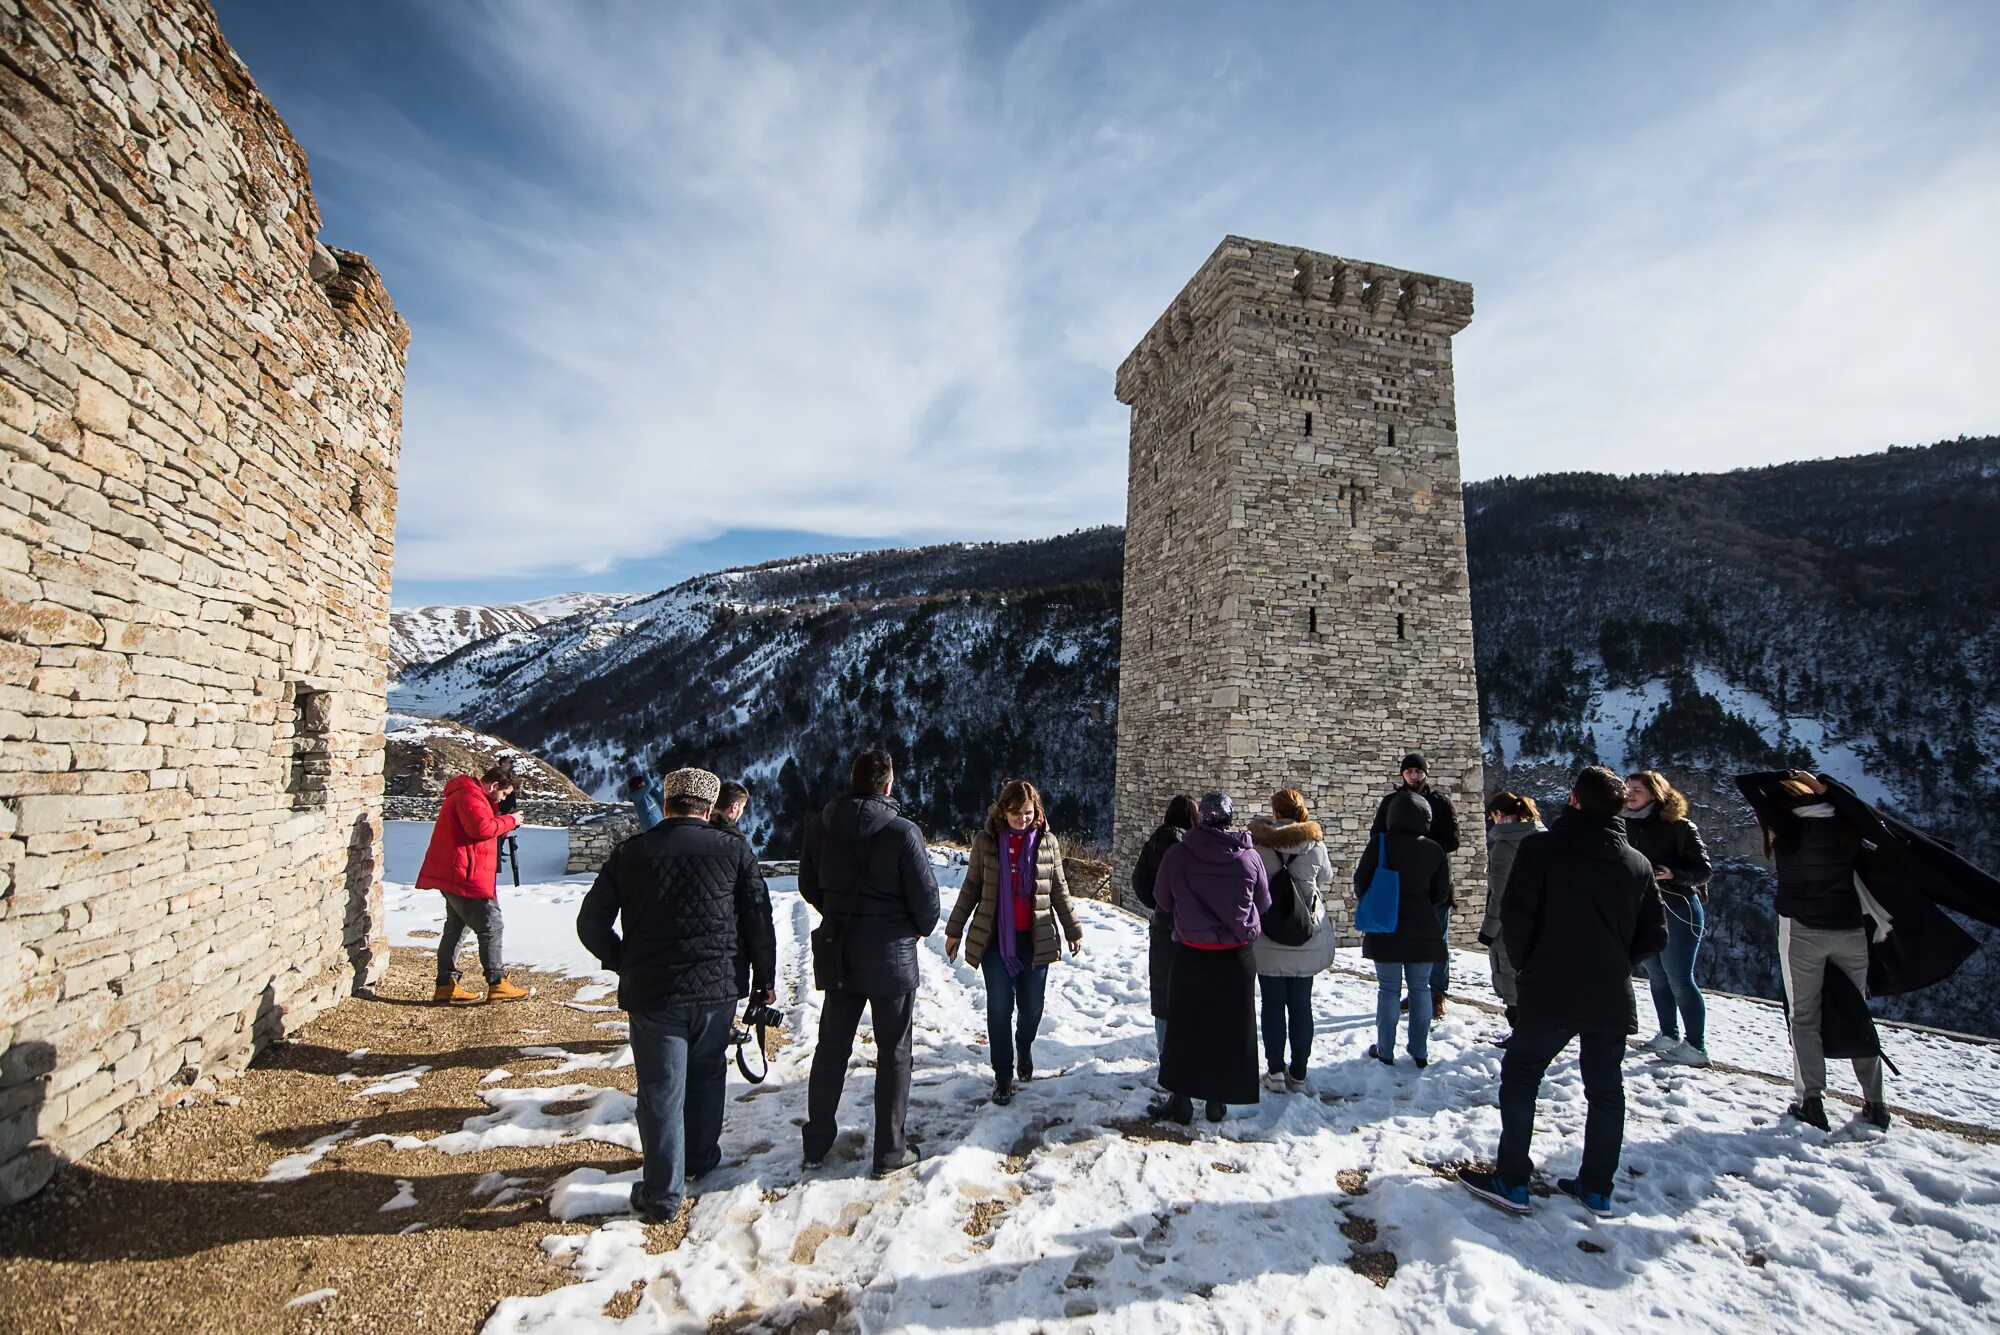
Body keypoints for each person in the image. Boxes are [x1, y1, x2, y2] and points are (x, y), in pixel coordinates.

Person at [1460, 766, 1667, 1218]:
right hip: (1609, 991)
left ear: (1573, 801)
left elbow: (1517, 919)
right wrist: (1618, 963)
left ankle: (1512, 1179)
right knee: (1606, 1090)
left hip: (1549, 985)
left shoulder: (1541, 850)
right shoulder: (1636, 864)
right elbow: (1656, 935)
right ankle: (1596, 1188)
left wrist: (1529, 964)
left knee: (1521, 1077)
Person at [577, 768, 777, 1225]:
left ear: (666, 805)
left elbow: (590, 924)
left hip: (654, 992)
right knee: (707, 1075)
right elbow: (758, 922)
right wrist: (763, 979)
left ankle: (663, 1194)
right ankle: (701, 1158)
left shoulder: (632, 853)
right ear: (709, 809)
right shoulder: (734, 851)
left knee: (661, 1090)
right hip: (718, 986)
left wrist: (623, 961)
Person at [799, 748, 940, 1177]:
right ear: (888, 785)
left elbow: (808, 885)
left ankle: (817, 1142)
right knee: (894, 1053)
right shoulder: (902, 833)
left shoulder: (822, 827)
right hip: (891, 957)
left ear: (853, 779)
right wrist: (903, 927)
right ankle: (889, 1152)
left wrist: (838, 912)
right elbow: (929, 907)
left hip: (839, 950)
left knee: (831, 1050)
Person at [1736, 769, 1889, 1131]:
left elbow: (1745, 782)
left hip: (1802, 928)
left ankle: (1812, 1100)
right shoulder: (1847, 825)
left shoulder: (1787, 825)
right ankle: (1876, 1103)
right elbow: (1860, 808)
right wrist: (1823, 785)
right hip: (1850, 929)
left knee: (1804, 1017)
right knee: (1856, 1012)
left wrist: (1786, 774)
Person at [944, 780, 1084, 1105]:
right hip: (996, 940)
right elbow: (971, 888)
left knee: (1032, 1008)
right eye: (1015, 812)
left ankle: (1024, 1044)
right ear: (1002, 811)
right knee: (999, 1007)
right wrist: (955, 930)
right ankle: (1003, 1076)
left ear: (1036, 813)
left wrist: (1072, 929)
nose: (1022, 818)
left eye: (1027, 812)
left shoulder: (1048, 843)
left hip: (1037, 939)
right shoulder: (987, 843)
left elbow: (1059, 890)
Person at [1148, 790, 1270, 1126]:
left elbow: (1162, 900)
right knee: (1229, 1028)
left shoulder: (1178, 854)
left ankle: (1181, 1101)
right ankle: (1217, 1101)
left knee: (1185, 1027)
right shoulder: (1249, 858)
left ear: (1201, 817)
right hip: (1236, 957)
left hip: (1191, 953)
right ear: (1230, 818)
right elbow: (1263, 902)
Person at [1353, 792, 1451, 1067]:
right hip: (1423, 927)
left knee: (1388, 990)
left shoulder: (1380, 843)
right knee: (1421, 989)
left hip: (1387, 925)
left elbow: (1361, 882)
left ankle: (1385, 1050)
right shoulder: (1435, 849)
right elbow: (1442, 893)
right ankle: (1419, 1051)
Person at [418, 766, 530, 1004]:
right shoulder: (470, 796)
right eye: (503, 794)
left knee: (457, 927)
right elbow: (481, 828)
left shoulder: (467, 794)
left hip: (457, 870)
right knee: (491, 925)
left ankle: (446, 984)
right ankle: (497, 982)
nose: (503, 799)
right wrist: (510, 821)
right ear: (494, 786)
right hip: (466, 874)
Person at [1624, 770, 1714, 1066]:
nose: (1630, 793)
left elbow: (1704, 870)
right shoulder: (1623, 824)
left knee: (1679, 977)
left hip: (1678, 908)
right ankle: (1668, 1033)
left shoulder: (1679, 826)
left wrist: (1674, 875)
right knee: (1657, 975)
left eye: (1637, 789)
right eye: (1628, 788)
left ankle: (1696, 1045)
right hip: (1643, 910)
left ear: (1655, 793)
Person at [1248, 789, 1336, 1091]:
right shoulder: (1315, 845)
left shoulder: (1259, 845)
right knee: (1301, 1006)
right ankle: (1298, 1073)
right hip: (1303, 934)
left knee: (1272, 1005)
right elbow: (1326, 878)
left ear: (1275, 812)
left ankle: (1274, 1071)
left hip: (1268, 934)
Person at [1370, 753, 1461, 1017]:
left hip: (1434, 881)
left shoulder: (1440, 803)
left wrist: (1422, 849)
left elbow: (1453, 840)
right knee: (1405, 940)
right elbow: (1377, 835)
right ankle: (1416, 992)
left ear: (1426, 774)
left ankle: (1436, 993)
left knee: (1438, 939)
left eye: (1418, 771)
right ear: (1402, 774)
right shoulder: (1391, 802)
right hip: (1399, 883)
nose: (1413, 776)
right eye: (1409, 771)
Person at [1132, 795, 1197, 1076]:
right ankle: (1188, 1056)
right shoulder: (1192, 846)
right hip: (1190, 927)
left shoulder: (1155, 841)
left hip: (1161, 924)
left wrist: (1158, 904)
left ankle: (1165, 1058)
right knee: (1189, 991)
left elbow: (1138, 881)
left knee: (1162, 992)